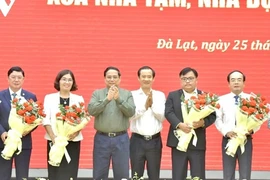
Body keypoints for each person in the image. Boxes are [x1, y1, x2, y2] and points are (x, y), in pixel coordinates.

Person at [165, 67, 216, 180]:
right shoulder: (173, 95)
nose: (187, 81)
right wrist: (179, 125)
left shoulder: (204, 96)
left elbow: (212, 116)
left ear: (196, 80)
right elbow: (168, 112)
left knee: (198, 175)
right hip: (178, 142)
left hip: (197, 142)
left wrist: (202, 123)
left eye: (190, 78)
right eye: (184, 78)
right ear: (180, 80)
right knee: (178, 175)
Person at [88, 66, 135, 180]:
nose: (112, 79)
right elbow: (91, 111)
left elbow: (131, 112)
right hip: (101, 138)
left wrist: (118, 99)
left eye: (115, 77)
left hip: (121, 138)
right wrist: (107, 99)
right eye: (109, 77)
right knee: (99, 173)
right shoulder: (97, 93)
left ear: (119, 79)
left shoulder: (126, 94)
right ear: (104, 79)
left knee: (122, 173)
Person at [43, 69, 85, 180]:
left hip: (72, 141)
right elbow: (45, 119)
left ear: (73, 82)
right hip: (54, 141)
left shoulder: (78, 99)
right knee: (55, 171)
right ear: (59, 81)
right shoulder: (49, 98)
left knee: (70, 171)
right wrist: (53, 138)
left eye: (70, 80)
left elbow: (82, 120)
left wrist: (75, 132)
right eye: (64, 79)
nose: (67, 82)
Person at [215, 70, 254, 180]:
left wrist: (252, 129)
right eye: (233, 80)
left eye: (239, 80)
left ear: (244, 83)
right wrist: (226, 132)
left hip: (245, 140)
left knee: (245, 174)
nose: (236, 82)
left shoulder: (252, 100)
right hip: (228, 140)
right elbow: (218, 119)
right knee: (228, 174)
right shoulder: (221, 100)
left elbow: (258, 118)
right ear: (228, 84)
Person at [0, 66, 37, 180]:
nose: (16, 80)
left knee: (22, 175)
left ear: (23, 79)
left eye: (19, 77)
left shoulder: (31, 97)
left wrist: (24, 131)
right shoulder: (0, 95)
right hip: (3, 142)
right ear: (8, 79)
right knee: (3, 175)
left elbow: (35, 119)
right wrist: (2, 133)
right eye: (13, 77)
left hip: (23, 142)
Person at [130, 66, 166, 180]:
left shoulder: (160, 95)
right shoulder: (132, 95)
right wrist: (145, 106)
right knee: (136, 175)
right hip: (137, 140)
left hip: (154, 141)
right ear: (139, 78)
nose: (146, 79)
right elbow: (130, 116)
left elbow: (163, 117)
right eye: (143, 76)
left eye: (149, 76)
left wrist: (152, 104)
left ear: (153, 79)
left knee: (154, 175)